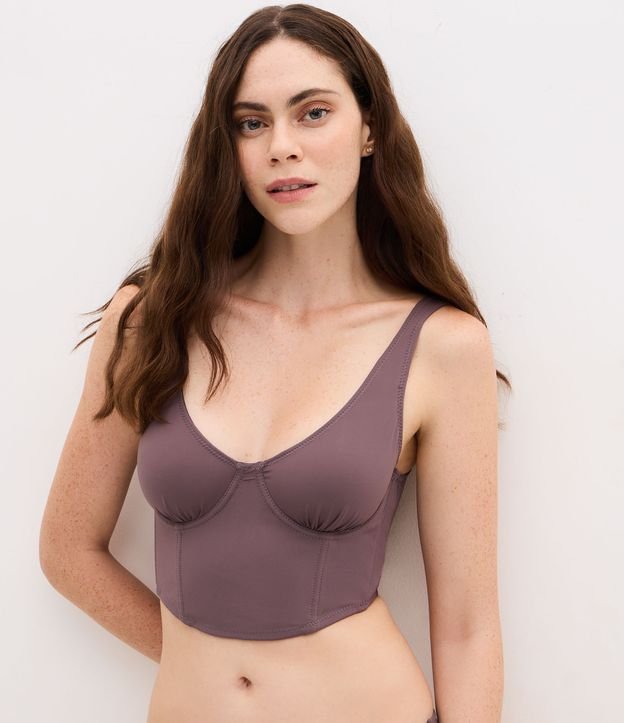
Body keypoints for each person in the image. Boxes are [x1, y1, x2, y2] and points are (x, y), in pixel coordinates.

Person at [39, 4, 507, 722]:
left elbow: (469, 627)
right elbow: (68, 551)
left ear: (370, 127)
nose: (282, 147)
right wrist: (203, 662)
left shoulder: (443, 347)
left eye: (313, 113)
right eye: (251, 123)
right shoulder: (151, 318)